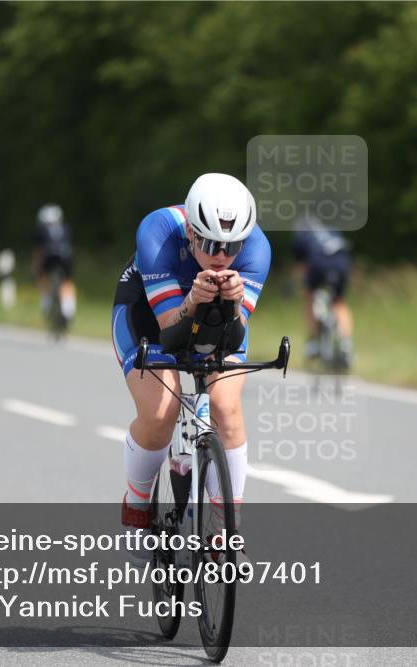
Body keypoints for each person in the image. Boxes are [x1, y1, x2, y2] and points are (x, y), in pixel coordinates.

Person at [112, 173, 269, 554]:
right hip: (150, 314)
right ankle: (137, 503)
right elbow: (170, 332)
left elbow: (234, 334)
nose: (221, 256)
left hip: (217, 316)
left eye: (232, 247)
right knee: (162, 411)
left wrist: (232, 304)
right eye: (212, 244)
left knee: (226, 407)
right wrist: (191, 301)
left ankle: (223, 529)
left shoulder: (258, 249)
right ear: (192, 234)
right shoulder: (159, 231)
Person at [292, 214, 354, 366]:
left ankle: (312, 343)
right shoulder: (332, 230)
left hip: (318, 265)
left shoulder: (302, 237)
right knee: (339, 302)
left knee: (309, 297)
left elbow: (302, 268)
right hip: (342, 265)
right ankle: (346, 343)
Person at [33, 203, 77, 325]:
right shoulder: (66, 228)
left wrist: (37, 268)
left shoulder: (42, 231)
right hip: (66, 257)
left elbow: (39, 252)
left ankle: (46, 303)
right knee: (68, 282)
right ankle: (69, 310)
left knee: (42, 277)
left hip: (49, 257)